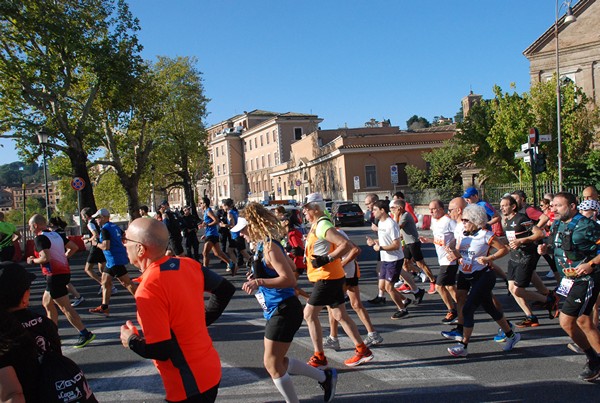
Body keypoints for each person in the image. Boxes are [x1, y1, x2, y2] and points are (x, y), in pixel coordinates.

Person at [234, 203, 337, 403]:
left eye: (243, 230)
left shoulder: (270, 247)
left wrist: (260, 280)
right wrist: (258, 273)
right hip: (276, 309)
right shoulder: (263, 246)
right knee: (277, 362)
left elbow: (290, 278)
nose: (240, 235)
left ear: (253, 226)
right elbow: (289, 265)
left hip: (284, 309)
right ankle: (325, 377)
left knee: (271, 364)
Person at [119, 217, 221, 402]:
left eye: (127, 241)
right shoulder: (187, 264)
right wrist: (200, 320)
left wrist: (131, 340)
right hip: (210, 368)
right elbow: (224, 289)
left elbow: (161, 350)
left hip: (187, 383)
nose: (124, 245)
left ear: (141, 249)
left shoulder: (149, 288)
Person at [302, 193, 374, 368]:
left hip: (326, 278)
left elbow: (346, 245)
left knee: (309, 315)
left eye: (307, 209)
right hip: (332, 277)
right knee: (340, 315)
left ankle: (319, 356)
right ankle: (362, 350)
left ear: (315, 209)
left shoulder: (323, 225)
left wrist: (326, 259)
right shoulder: (316, 225)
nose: (304, 212)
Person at [538, 192, 600, 381]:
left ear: (573, 206)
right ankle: (595, 361)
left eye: (558, 206)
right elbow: (558, 246)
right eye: (552, 205)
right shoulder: (557, 224)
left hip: (586, 279)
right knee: (584, 322)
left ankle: (593, 359)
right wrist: (546, 249)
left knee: (567, 321)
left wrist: (591, 264)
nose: (553, 209)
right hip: (568, 280)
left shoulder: (587, 225)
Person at [443, 204, 519, 357]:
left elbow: (504, 249)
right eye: (462, 220)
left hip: (482, 275)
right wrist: (453, 253)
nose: (463, 222)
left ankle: (463, 345)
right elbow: (461, 253)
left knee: (468, 308)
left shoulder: (485, 235)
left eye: (466, 220)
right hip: (465, 274)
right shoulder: (464, 234)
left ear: (476, 221)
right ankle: (511, 335)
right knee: (488, 308)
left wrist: (489, 258)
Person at [26, 214, 95, 348]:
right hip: (63, 272)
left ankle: (85, 333)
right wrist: (63, 258)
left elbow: (45, 257)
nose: (29, 228)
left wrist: (32, 260)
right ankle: (53, 334)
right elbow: (74, 247)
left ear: (35, 226)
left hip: (54, 275)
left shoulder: (40, 238)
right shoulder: (56, 235)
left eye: (30, 226)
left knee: (65, 307)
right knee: (47, 303)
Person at [499, 196, 559, 327]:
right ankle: (530, 316)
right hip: (514, 258)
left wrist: (521, 241)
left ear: (513, 206)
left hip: (525, 258)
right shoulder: (507, 221)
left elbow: (539, 234)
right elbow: (511, 239)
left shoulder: (521, 219)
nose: (501, 208)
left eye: (504, 205)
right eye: (501, 205)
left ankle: (548, 299)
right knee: (511, 288)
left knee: (518, 291)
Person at [324, 227, 383, 350]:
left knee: (333, 305)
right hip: (349, 272)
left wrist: (341, 264)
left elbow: (356, 249)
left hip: (345, 274)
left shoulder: (335, 232)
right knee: (356, 304)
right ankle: (372, 334)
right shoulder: (329, 232)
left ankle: (333, 338)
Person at [366, 200, 411, 320]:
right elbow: (385, 241)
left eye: (375, 209)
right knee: (382, 286)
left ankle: (403, 309)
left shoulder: (391, 224)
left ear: (382, 210)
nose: (372, 211)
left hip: (394, 259)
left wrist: (379, 247)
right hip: (385, 259)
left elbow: (396, 245)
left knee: (389, 288)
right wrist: (374, 242)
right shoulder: (381, 223)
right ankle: (405, 299)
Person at [89, 209, 136, 317]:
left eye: (98, 218)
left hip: (114, 260)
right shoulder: (113, 226)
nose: (96, 220)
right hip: (112, 260)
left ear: (104, 217)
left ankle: (144, 301)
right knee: (105, 282)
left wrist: (95, 243)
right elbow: (124, 235)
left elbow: (106, 246)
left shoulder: (105, 230)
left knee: (127, 283)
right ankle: (104, 307)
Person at [419, 199, 459, 324]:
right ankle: (464, 305)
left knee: (439, 286)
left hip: (449, 259)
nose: (431, 211)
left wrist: (453, 246)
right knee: (450, 286)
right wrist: (429, 240)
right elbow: (440, 238)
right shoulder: (434, 221)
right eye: (429, 209)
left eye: (434, 209)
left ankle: (452, 310)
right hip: (441, 259)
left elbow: (459, 235)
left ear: (441, 209)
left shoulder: (448, 221)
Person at [396, 199, 436, 294]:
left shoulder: (405, 215)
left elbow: (396, 227)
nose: (392, 210)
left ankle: (433, 281)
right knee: (405, 263)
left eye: (394, 208)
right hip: (407, 242)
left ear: (400, 208)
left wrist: (396, 216)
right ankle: (407, 284)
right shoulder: (402, 215)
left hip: (413, 242)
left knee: (421, 263)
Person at [199, 197, 235, 273]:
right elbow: (208, 223)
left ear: (205, 204)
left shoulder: (208, 211)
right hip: (211, 234)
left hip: (211, 235)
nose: (200, 204)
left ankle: (205, 271)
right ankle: (230, 263)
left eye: (201, 203)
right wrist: (204, 231)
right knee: (217, 253)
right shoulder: (205, 212)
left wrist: (207, 225)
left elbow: (216, 220)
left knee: (205, 253)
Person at [80, 207, 110, 295]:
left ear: (85, 216)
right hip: (101, 245)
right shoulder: (97, 221)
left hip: (96, 246)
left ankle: (104, 284)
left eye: (82, 216)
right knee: (102, 268)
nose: (82, 218)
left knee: (88, 269)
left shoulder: (90, 223)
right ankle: (109, 285)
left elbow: (95, 235)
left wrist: (88, 240)